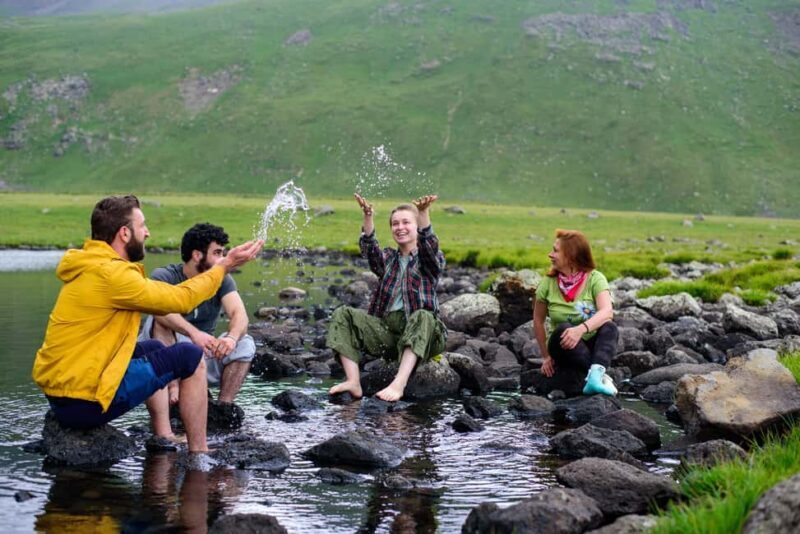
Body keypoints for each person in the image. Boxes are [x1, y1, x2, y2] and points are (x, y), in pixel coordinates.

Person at [32, 195, 263, 453]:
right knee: (190, 355)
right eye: (143, 227)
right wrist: (225, 266)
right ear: (124, 233)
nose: (148, 233)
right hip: (84, 403)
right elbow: (180, 299)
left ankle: (163, 433)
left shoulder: (91, 266)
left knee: (153, 347)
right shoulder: (113, 275)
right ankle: (200, 451)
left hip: (62, 397)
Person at [326, 194, 447, 402]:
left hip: (425, 334)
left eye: (406, 222)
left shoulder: (430, 260)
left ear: (416, 227)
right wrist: (367, 216)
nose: (400, 227)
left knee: (422, 316)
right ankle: (353, 381)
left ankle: (399, 384)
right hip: (390, 335)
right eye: (395, 224)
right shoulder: (389, 258)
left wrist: (423, 213)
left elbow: (429, 247)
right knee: (343, 314)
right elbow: (369, 251)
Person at [138, 223, 255, 416]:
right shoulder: (164, 275)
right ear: (197, 255)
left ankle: (222, 408)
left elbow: (239, 315)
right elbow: (160, 311)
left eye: (223, 253)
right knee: (157, 320)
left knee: (245, 343)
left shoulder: (223, 280)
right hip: (162, 358)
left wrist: (231, 339)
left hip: (203, 352)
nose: (223, 259)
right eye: (217, 253)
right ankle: (172, 388)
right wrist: (194, 333)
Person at [533, 229, 618, 396]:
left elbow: (607, 311)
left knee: (610, 327)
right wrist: (546, 357)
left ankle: (594, 377)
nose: (550, 255)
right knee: (564, 328)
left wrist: (580, 330)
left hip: (589, 343)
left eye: (556, 251)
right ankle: (598, 377)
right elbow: (538, 320)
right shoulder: (547, 283)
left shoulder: (595, 278)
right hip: (561, 346)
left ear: (571, 256)